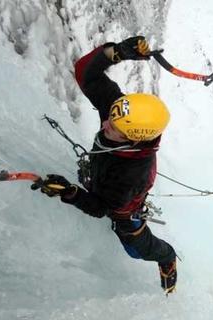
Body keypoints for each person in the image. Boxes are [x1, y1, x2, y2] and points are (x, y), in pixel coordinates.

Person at [31, 36, 178, 294]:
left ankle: (167, 257)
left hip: (123, 208)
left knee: (137, 249)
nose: (105, 124)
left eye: (115, 129)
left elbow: (103, 208)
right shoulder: (120, 114)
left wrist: (70, 193)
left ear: (134, 140)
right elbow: (86, 74)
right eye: (111, 117)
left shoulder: (132, 175)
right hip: (103, 173)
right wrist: (117, 52)